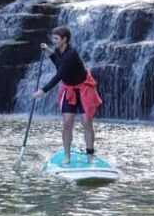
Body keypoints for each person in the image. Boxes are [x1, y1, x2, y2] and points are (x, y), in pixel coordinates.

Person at [32, 25, 102, 165]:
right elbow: (58, 63)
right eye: (53, 38)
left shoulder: (71, 54)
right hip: (69, 89)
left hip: (83, 90)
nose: (54, 40)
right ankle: (67, 155)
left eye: (56, 38)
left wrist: (42, 91)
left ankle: (90, 155)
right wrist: (48, 51)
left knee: (86, 123)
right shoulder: (59, 50)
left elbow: (60, 75)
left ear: (65, 39)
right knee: (67, 124)